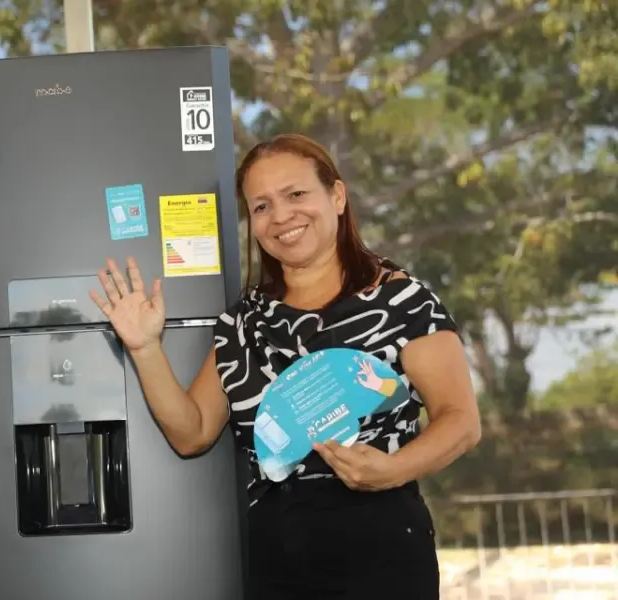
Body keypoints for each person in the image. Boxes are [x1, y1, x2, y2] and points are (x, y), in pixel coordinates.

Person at [89, 134, 481, 600]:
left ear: (337, 197)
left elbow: (461, 421)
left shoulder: (401, 300)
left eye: (296, 194)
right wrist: (144, 347)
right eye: (262, 206)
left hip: (382, 545)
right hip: (276, 555)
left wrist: (392, 470)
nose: (281, 216)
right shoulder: (242, 323)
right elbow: (191, 433)